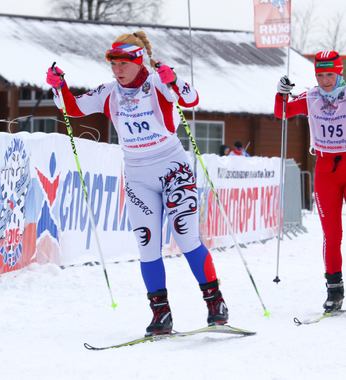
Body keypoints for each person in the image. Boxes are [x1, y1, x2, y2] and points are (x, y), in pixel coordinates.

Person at [45, 30, 229, 334]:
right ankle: (161, 314)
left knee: (186, 238)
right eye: (113, 64)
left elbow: (191, 98)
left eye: (123, 63)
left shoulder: (157, 81)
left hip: (173, 168)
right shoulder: (108, 91)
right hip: (137, 174)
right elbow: (72, 108)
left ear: (138, 60)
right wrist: (59, 87)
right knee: (147, 246)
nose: (117, 70)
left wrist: (174, 80)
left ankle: (215, 303)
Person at [274, 51, 346, 311]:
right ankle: (334, 289)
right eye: (320, 75)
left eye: (330, 74)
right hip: (326, 170)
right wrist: (281, 94)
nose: (325, 80)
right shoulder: (310, 97)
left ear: (339, 73)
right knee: (331, 234)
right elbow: (282, 112)